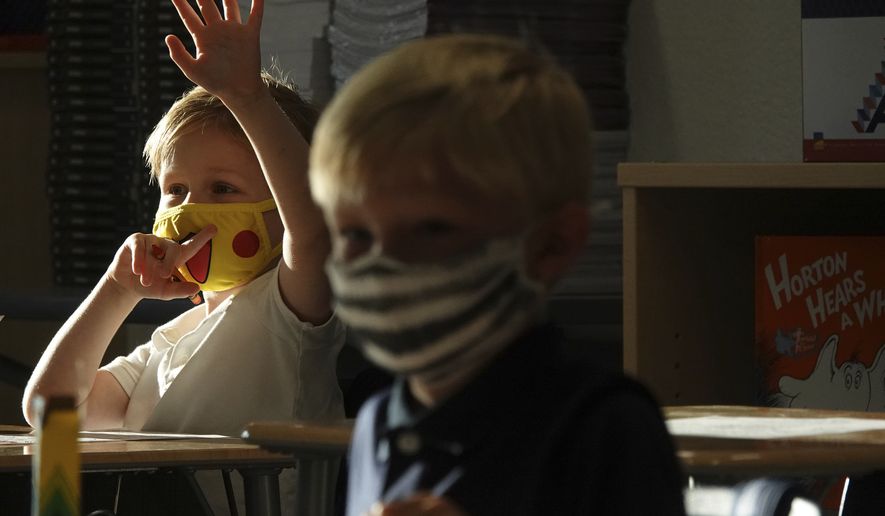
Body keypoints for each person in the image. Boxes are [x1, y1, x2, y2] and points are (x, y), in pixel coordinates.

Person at [307, 34, 688, 515]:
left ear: (551, 245)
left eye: (431, 228)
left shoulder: (601, 425)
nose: (384, 263)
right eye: (356, 234)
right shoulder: (377, 422)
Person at [22, 0, 343, 511]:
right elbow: (51, 411)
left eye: (222, 188)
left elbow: (315, 226)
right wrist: (117, 288)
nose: (192, 208)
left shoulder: (289, 310)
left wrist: (247, 97)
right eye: (175, 190)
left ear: (279, 209)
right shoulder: (167, 342)